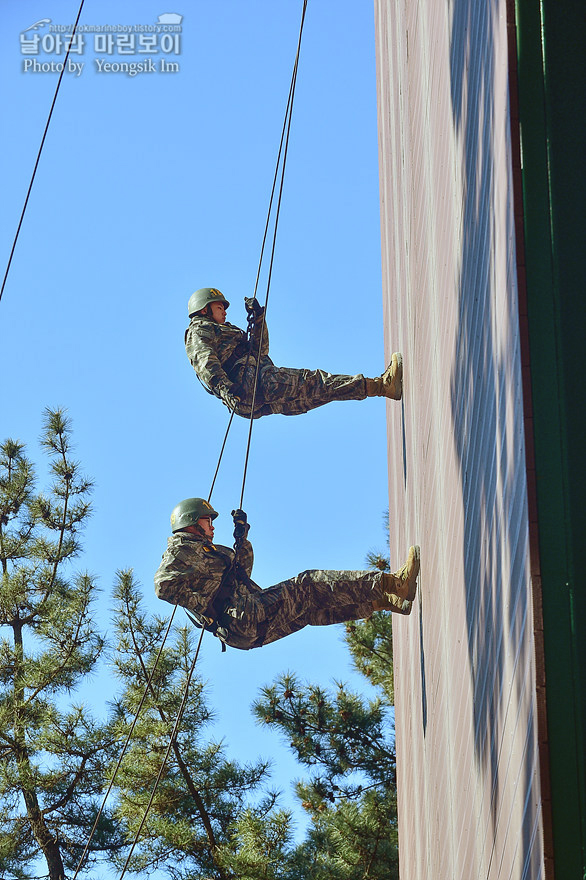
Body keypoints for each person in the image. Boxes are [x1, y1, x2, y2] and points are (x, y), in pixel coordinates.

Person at [154, 498, 421, 651]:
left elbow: (242, 575)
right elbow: (163, 586)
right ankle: (394, 584)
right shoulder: (182, 549)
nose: (212, 526)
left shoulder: (205, 551)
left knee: (307, 610)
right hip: (241, 617)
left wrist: (241, 539)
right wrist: (206, 606)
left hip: (241, 632)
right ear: (191, 523)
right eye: (207, 520)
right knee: (306, 586)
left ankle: (382, 602)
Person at [184, 287, 403, 418]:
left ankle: (383, 389)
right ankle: (382, 385)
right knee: (316, 382)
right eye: (218, 306)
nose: (223, 310)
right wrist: (227, 390)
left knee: (321, 393)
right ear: (204, 310)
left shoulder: (225, 331)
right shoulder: (199, 329)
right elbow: (205, 363)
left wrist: (258, 319)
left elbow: (261, 350)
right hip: (254, 384)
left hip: (254, 394)